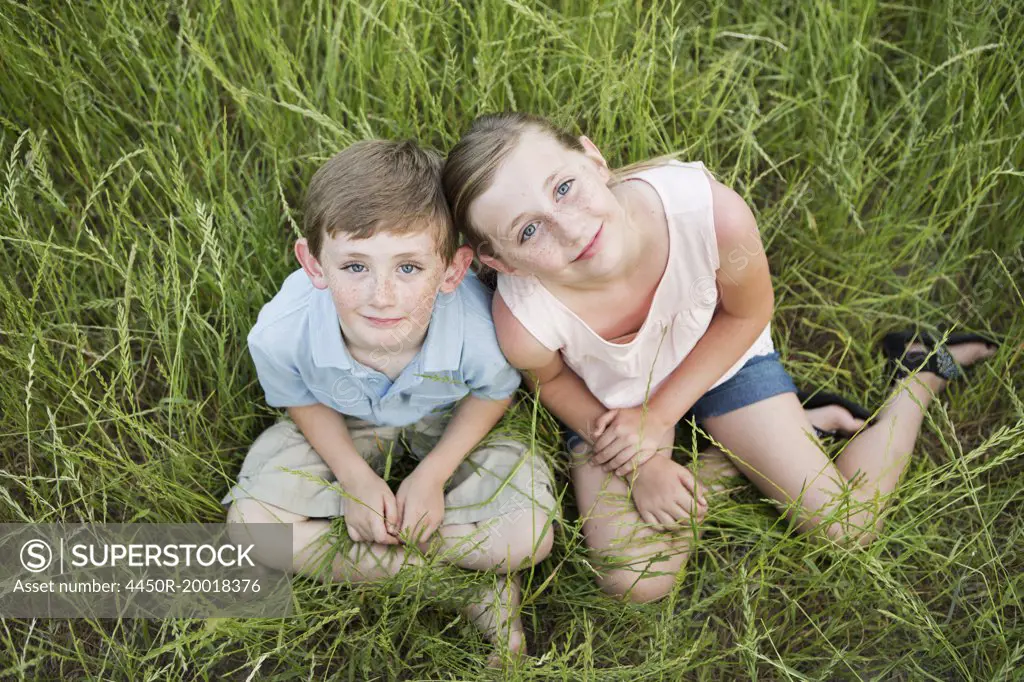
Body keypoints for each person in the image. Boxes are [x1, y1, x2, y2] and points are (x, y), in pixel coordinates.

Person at [441, 112, 999, 603]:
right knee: (635, 580)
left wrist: (657, 421)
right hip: (610, 403)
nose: (567, 226)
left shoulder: (707, 214)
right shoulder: (523, 321)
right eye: (529, 230)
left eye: (563, 187)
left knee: (845, 527)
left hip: (720, 361)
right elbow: (554, 380)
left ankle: (917, 374)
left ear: (593, 158)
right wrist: (640, 460)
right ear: (503, 263)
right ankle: (725, 458)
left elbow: (746, 314)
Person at [222, 139, 557, 657]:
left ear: (451, 270)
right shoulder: (281, 334)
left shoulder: (478, 327)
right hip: (342, 422)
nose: (382, 296)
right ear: (313, 265)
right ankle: (463, 588)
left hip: (446, 425)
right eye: (355, 267)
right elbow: (302, 401)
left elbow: (493, 394)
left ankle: (380, 543)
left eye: (408, 268)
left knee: (527, 536)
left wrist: (433, 475)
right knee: (251, 530)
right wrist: (354, 478)